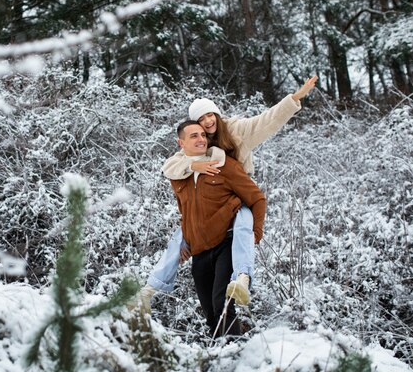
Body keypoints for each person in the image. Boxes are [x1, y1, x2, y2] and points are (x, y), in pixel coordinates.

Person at [133, 76, 318, 311]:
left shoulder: (236, 131)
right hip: (211, 204)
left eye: (210, 115)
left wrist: (295, 98)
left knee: (243, 228)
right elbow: (170, 166)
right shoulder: (200, 144)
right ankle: (150, 289)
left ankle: (242, 278)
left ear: (217, 114)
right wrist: (193, 166)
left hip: (237, 194)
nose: (207, 121)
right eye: (201, 119)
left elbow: (268, 120)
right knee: (179, 237)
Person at [170, 120, 266, 337]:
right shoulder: (180, 175)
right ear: (181, 142)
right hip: (200, 251)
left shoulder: (224, 165)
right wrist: (185, 240)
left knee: (222, 304)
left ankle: (235, 354)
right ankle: (219, 354)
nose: (201, 139)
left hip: (226, 243)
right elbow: (186, 211)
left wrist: (255, 235)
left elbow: (257, 199)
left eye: (203, 135)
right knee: (210, 312)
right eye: (194, 136)